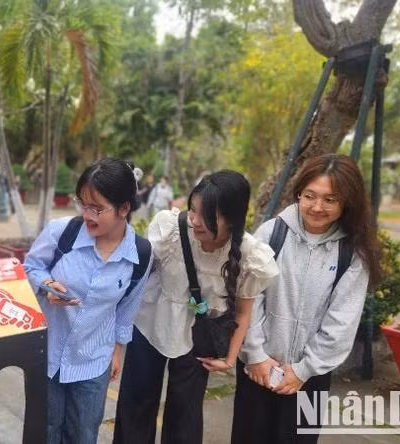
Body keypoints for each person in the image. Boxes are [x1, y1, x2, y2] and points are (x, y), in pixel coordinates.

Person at [114, 170, 279, 444]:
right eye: (193, 211)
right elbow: (137, 273)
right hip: (150, 323)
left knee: (185, 412)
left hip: (198, 336)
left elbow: (243, 312)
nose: (196, 222)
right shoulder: (171, 228)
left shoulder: (251, 255)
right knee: (136, 402)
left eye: (208, 216)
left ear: (233, 219)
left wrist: (229, 358)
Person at [233, 154, 382, 444]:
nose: (317, 207)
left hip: (309, 378)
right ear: (298, 193)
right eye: (310, 196)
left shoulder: (351, 253)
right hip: (257, 369)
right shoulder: (271, 234)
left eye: (330, 200)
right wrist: (256, 356)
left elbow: (341, 323)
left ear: (347, 203)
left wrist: (302, 371)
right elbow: (248, 297)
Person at [23, 157, 154, 444]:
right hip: (49, 353)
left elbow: (128, 306)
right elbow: (30, 266)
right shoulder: (62, 232)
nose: (87, 214)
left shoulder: (140, 254)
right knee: (45, 431)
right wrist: (46, 286)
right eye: (83, 204)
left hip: (94, 359)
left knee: (83, 434)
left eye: (97, 208)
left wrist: (118, 350)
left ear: (124, 208)